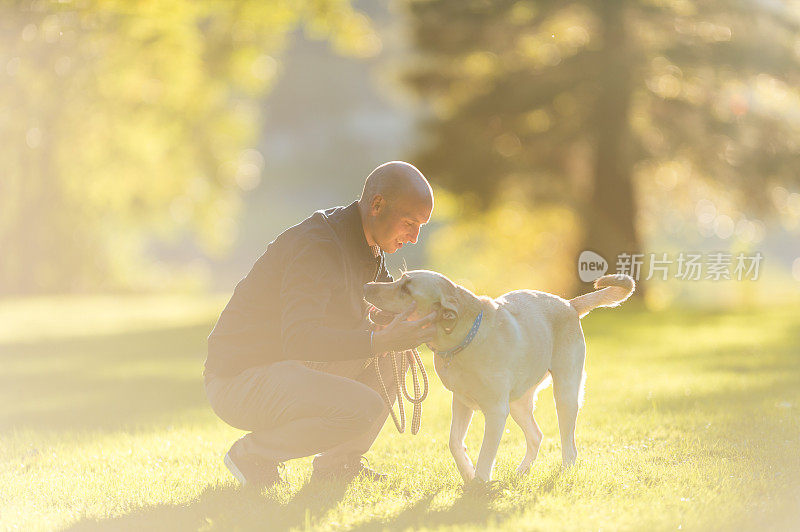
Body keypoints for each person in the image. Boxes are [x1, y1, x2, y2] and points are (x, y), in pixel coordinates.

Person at [203, 161, 436, 489]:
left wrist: (403, 324)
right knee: (365, 403)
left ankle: (338, 464)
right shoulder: (319, 244)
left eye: (420, 227)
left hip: (287, 368)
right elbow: (300, 338)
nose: (413, 238)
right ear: (377, 205)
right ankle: (252, 455)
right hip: (238, 379)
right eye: (410, 223)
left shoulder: (368, 246)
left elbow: (378, 313)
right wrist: (378, 340)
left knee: (397, 351)